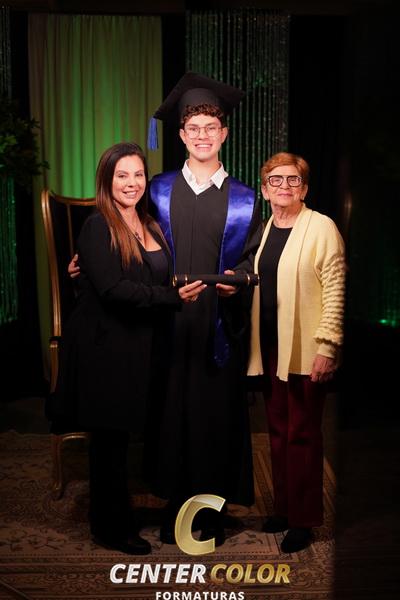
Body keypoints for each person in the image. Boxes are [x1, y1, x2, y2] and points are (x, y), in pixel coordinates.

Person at [69, 73, 261, 545]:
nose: (202, 136)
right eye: (193, 128)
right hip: (163, 325)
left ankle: (210, 515)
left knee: (213, 420)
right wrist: (85, 265)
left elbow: (249, 259)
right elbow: (129, 245)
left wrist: (236, 285)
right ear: (180, 135)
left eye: (210, 128)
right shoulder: (156, 190)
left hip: (215, 326)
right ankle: (174, 509)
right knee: (171, 417)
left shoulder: (244, 199)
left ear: (223, 134)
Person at [49, 142, 204, 555]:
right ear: (107, 180)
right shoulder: (98, 225)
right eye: (122, 175)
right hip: (106, 349)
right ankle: (109, 527)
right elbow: (113, 289)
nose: (131, 183)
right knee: (109, 443)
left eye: (138, 174)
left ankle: (123, 514)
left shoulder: (149, 223)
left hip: (141, 345)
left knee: (124, 438)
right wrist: (172, 298)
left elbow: (149, 276)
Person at [247, 152, 346, 553]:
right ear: (264, 188)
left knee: (302, 434)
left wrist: (328, 345)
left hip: (305, 349)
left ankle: (303, 520)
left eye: (293, 180)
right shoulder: (267, 228)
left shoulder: (321, 227)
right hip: (272, 347)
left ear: (304, 188)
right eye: (275, 180)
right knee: (277, 433)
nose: (284, 186)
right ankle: (284, 509)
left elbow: (336, 289)